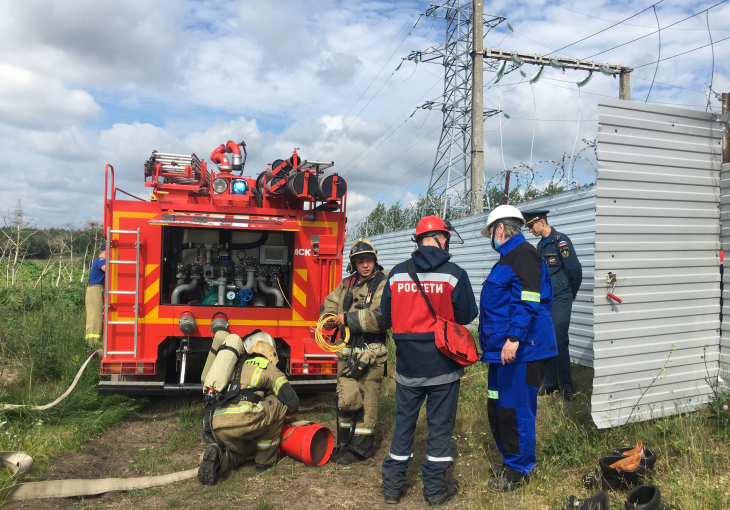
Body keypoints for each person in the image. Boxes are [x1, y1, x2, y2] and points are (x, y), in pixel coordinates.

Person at [381, 216, 478, 507]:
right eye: (446, 237)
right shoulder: (454, 273)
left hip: (408, 365)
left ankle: (392, 487)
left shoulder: (397, 274)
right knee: (439, 427)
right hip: (443, 364)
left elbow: (386, 316)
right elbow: (466, 315)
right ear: (440, 237)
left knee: (404, 423)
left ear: (418, 239)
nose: (447, 241)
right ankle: (435, 489)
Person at [479, 205, 557, 493]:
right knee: (499, 406)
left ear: (499, 229)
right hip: (502, 352)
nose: (490, 236)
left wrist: (514, 338)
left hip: (523, 350)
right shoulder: (507, 258)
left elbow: (529, 298)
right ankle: (510, 460)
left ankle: (521, 469)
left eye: (490, 231)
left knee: (517, 409)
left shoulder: (522, 254)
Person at [320, 238, 389, 465]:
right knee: (346, 399)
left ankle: (361, 449)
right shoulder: (346, 283)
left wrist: (346, 319)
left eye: (369, 260)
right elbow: (330, 303)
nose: (365, 265)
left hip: (371, 355)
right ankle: (344, 443)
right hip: (347, 353)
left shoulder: (383, 282)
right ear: (354, 264)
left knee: (366, 402)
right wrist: (328, 320)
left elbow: (380, 316)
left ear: (375, 261)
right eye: (360, 262)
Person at [198, 331, 299, 485]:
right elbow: (292, 401)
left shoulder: (232, 365)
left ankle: (218, 457)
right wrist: (288, 421)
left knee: (239, 455)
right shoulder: (268, 367)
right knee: (278, 403)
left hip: (218, 425)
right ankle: (264, 462)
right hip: (245, 419)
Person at [523, 210, 582, 401]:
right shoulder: (540, 246)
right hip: (546, 299)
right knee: (545, 338)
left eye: (532, 226)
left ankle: (567, 386)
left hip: (562, 297)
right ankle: (549, 384)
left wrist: (571, 292)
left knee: (559, 338)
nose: (530, 230)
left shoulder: (560, 241)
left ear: (542, 222)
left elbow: (574, 269)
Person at [85, 245, 106, 345]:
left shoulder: (99, 260)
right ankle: (92, 342)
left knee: (97, 314)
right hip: (95, 289)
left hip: (97, 289)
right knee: (95, 315)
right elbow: (107, 269)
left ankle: (93, 340)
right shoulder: (100, 260)